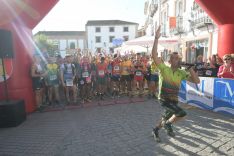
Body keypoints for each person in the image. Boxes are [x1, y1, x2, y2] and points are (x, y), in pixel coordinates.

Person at [151, 26, 200, 142]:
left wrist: (190, 69)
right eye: (174, 58)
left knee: (165, 118)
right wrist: (156, 39)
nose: (177, 60)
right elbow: (154, 56)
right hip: (164, 99)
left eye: (178, 58)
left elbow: (196, 81)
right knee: (181, 113)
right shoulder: (164, 69)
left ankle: (156, 130)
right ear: (170, 61)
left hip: (174, 100)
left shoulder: (182, 72)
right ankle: (168, 125)